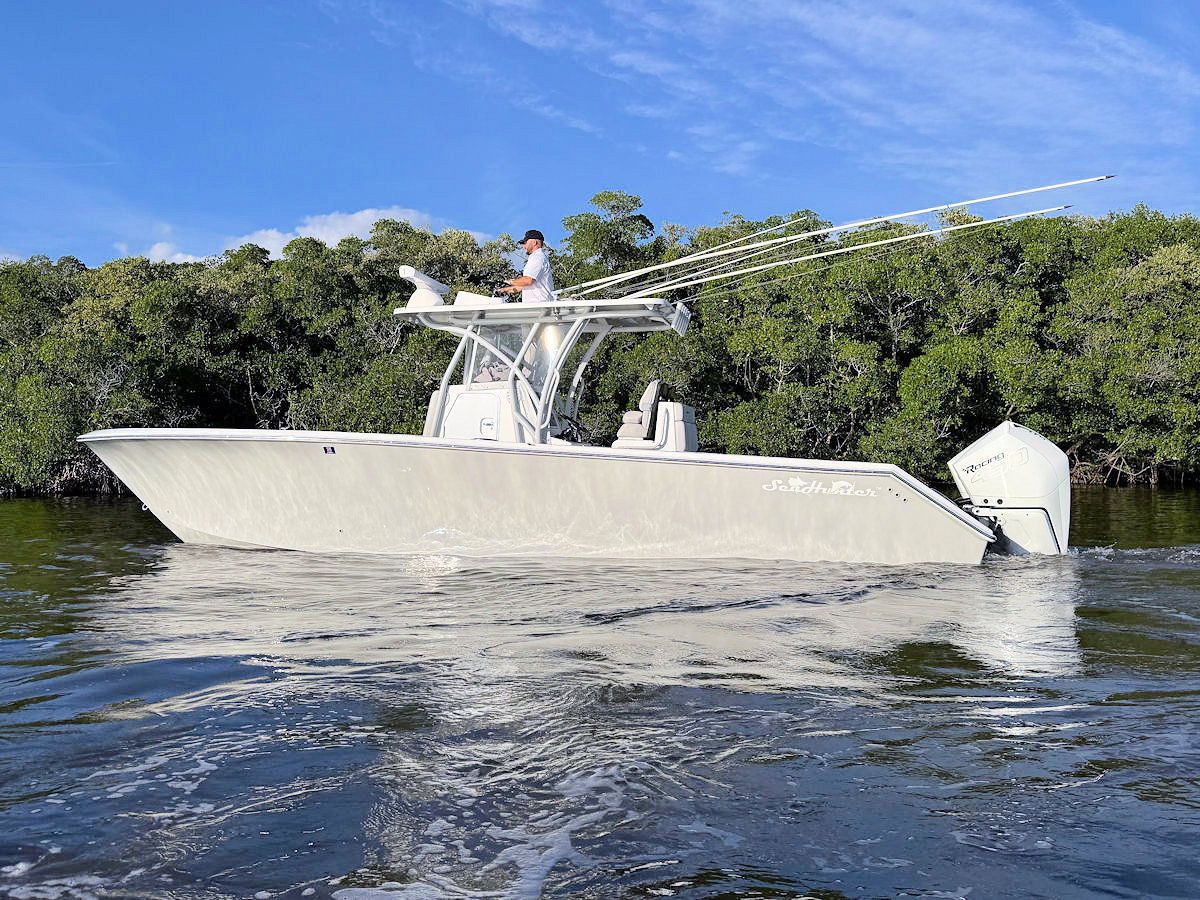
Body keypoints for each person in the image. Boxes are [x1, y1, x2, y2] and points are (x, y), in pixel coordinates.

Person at [500, 229, 555, 303]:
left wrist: (509, 281)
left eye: (525, 243)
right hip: (536, 305)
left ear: (534, 242)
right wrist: (504, 290)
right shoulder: (537, 257)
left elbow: (528, 280)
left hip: (539, 304)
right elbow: (523, 286)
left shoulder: (538, 257)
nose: (524, 246)